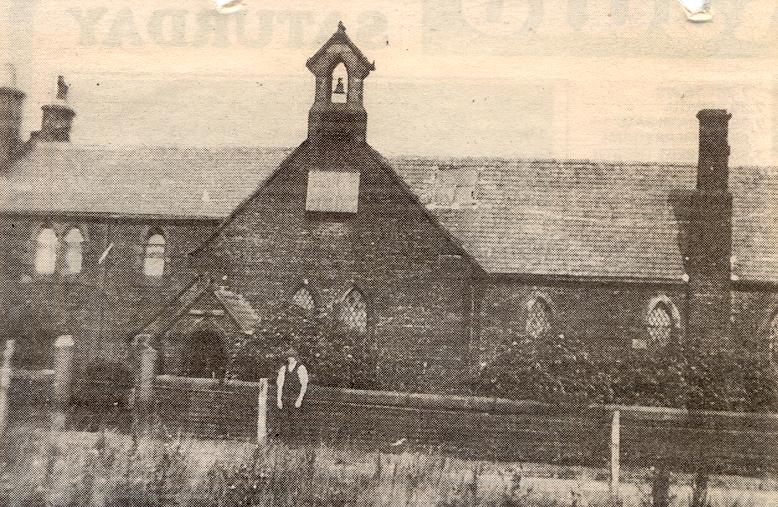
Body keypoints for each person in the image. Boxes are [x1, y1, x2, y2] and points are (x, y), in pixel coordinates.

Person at [275, 347, 308, 443]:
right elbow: (280, 385)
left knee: (295, 420)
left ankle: (295, 443)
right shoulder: (284, 368)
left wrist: (300, 399)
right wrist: (279, 399)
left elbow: (304, 385)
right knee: (284, 419)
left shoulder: (301, 368)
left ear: (295, 357)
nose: (290, 358)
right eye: (288, 357)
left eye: (292, 357)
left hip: (295, 397)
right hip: (285, 397)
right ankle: (284, 442)